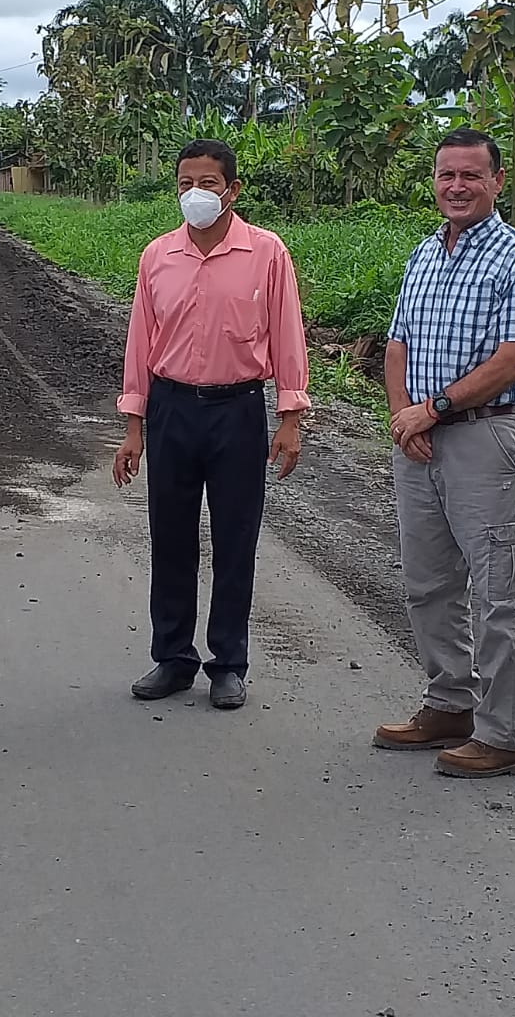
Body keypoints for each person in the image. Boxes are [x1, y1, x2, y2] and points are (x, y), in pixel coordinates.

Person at [371, 128, 515, 779]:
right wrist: (405, 416)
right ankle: (450, 703)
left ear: (497, 181)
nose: (457, 186)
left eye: (471, 175)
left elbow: (514, 358)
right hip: (419, 442)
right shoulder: (425, 253)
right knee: (428, 583)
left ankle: (505, 735)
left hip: (484, 438)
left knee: (502, 591)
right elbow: (396, 344)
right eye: (446, 174)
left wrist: (435, 408)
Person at [113, 139, 310, 710]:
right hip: (171, 409)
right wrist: (134, 426)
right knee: (170, 537)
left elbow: (287, 335)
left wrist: (290, 416)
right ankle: (173, 658)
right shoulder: (158, 256)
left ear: (232, 190)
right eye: (185, 183)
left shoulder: (267, 254)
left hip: (238, 410)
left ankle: (229, 663)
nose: (195, 193)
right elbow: (140, 343)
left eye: (207, 183)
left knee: (235, 539)